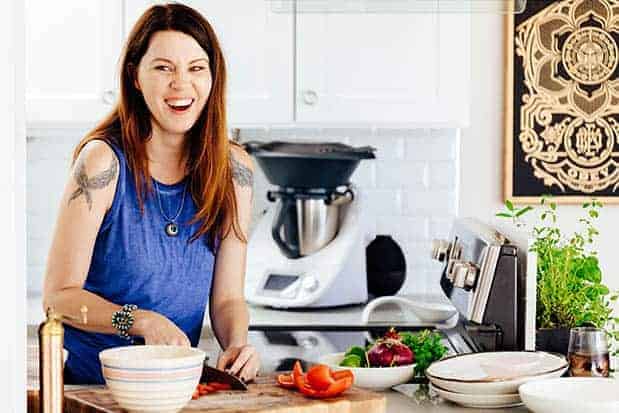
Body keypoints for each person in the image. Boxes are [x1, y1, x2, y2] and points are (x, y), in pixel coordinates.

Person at [42, 3, 260, 385]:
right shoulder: (102, 164)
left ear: (213, 78)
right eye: (163, 68)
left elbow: (227, 300)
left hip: (175, 391)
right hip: (93, 393)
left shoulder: (234, 171)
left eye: (196, 68)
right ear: (136, 77)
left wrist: (238, 345)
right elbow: (57, 299)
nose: (181, 84)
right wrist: (139, 320)